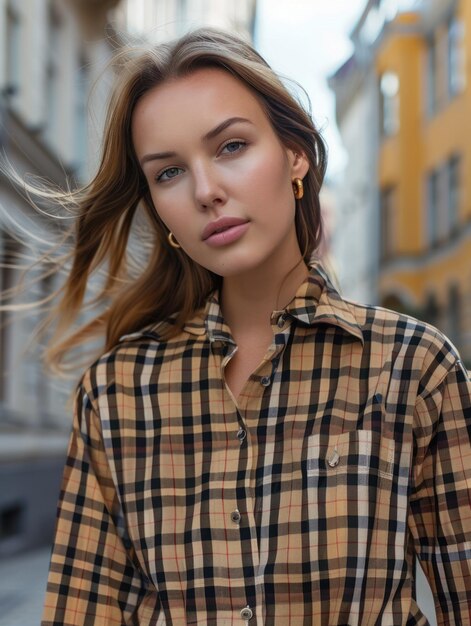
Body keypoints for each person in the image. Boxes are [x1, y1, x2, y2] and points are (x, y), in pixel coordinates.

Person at [34, 28, 471, 625]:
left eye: (232, 146)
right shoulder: (116, 395)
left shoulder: (414, 368)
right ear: (160, 213)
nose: (206, 191)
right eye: (168, 174)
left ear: (296, 155)